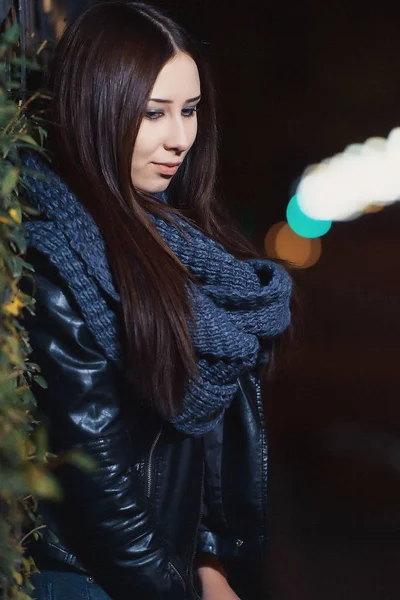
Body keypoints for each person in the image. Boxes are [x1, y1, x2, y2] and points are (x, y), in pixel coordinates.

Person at [21, 2, 292, 599]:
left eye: (190, 111)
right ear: (99, 109)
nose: (179, 139)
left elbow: (203, 440)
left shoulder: (174, 238)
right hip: (89, 579)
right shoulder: (58, 245)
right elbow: (93, 470)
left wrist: (211, 568)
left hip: (166, 571)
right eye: (153, 113)